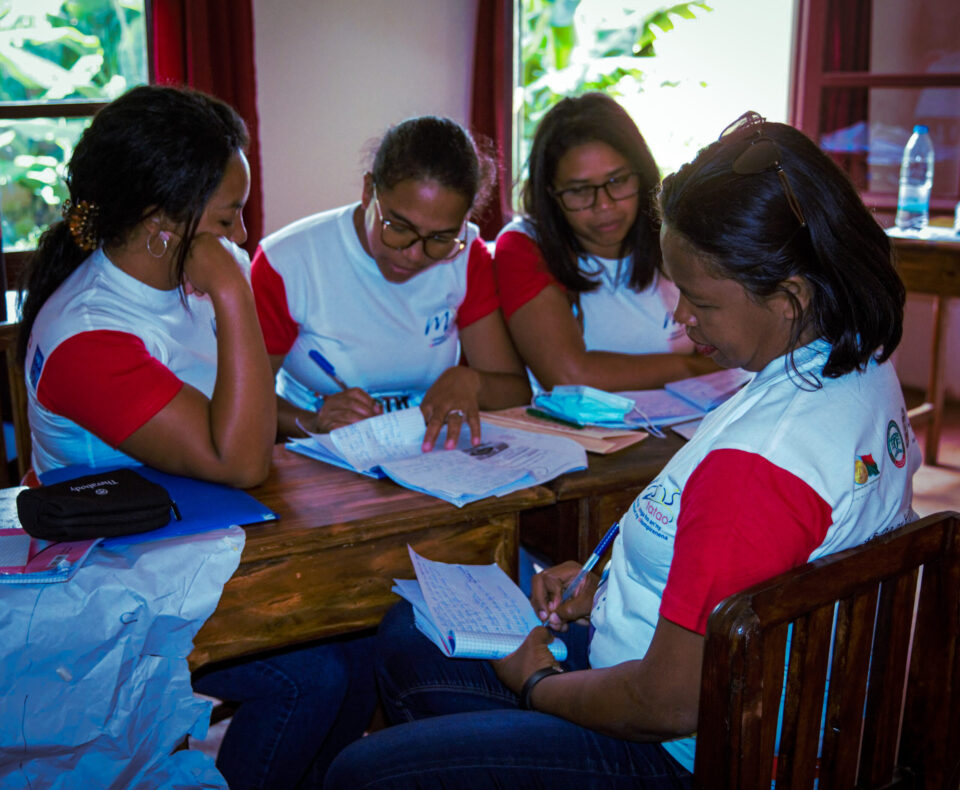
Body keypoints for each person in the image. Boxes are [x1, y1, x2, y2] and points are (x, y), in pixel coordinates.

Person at [322, 111, 922, 789]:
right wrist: (609, 587)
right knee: (411, 633)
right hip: (771, 702)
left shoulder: (759, 468)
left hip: (685, 752)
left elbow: (665, 702)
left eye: (696, 300)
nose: (681, 318)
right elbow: (750, 570)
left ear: (790, 296)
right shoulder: (862, 364)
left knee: (360, 773)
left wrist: (539, 683)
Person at [17, 84, 375, 790]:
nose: (241, 236)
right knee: (312, 675)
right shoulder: (88, 335)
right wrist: (234, 292)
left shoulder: (181, 276)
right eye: (227, 218)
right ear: (162, 223)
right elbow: (238, 458)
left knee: (363, 637)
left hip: (193, 549)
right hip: (108, 583)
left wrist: (305, 417)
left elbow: (238, 409)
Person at [251, 116, 531, 449]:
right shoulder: (289, 261)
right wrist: (311, 420)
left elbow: (516, 391)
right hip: (319, 457)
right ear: (369, 191)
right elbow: (245, 404)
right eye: (398, 227)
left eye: (440, 238)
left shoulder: (468, 255)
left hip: (426, 455)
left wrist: (472, 382)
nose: (413, 255)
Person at [494, 92, 717, 392]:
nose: (603, 205)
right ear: (550, 194)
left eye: (617, 181)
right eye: (579, 190)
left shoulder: (677, 234)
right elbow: (569, 376)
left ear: (642, 175)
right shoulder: (523, 245)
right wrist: (695, 367)